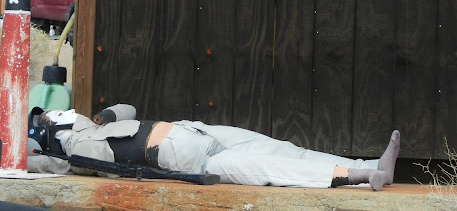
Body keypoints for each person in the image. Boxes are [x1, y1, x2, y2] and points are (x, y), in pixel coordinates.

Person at [27, 104, 401, 191]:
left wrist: (102, 115)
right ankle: (357, 175)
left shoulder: (92, 124)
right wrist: (29, 152)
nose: (64, 110)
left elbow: (128, 109)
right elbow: (36, 164)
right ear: (52, 130)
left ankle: (371, 163)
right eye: (53, 115)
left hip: (195, 130)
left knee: (281, 148)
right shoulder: (70, 155)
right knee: (269, 169)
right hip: (190, 160)